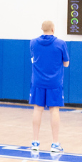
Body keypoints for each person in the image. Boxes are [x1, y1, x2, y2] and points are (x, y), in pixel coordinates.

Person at [30, 20, 69, 153]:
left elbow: (34, 58)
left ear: (42, 29)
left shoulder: (33, 43)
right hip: (54, 83)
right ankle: (55, 144)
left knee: (37, 110)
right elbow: (66, 64)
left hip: (38, 82)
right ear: (53, 29)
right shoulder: (61, 43)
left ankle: (35, 142)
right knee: (54, 111)